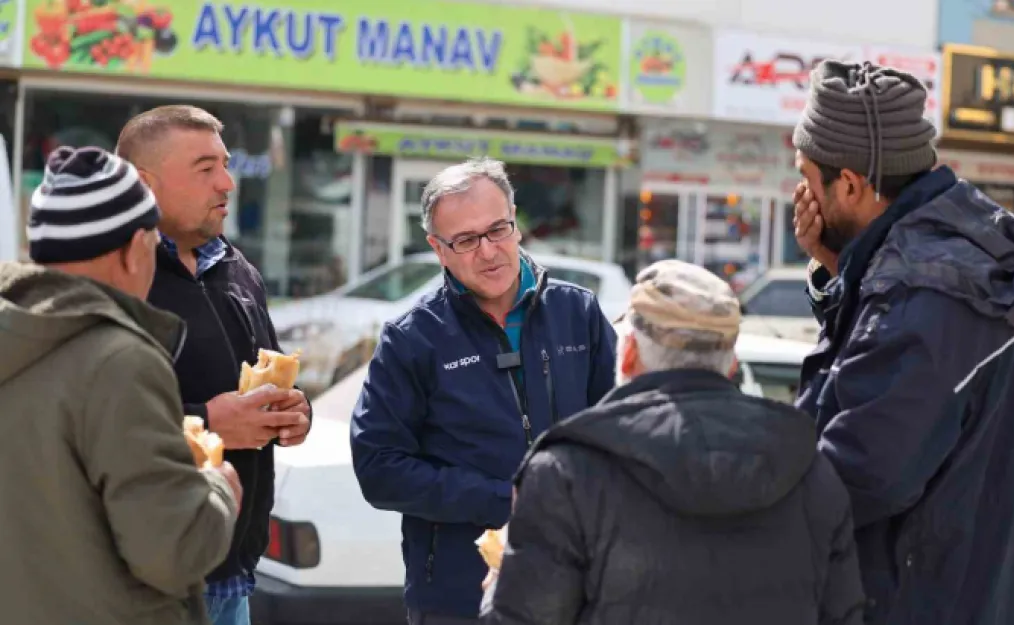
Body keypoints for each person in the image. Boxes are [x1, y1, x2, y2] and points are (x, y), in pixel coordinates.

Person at [790, 60, 1014, 624]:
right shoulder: (959, 238)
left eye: (807, 176)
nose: (800, 193)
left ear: (852, 185)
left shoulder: (921, 297)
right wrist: (837, 267)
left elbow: (850, 476)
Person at [479, 259, 866, 625]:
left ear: (628, 354)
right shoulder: (809, 468)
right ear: (731, 365)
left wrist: (499, 577)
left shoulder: (566, 475)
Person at [350, 156, 618, 624]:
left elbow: (621, 429)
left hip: (579, 581)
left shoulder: (579, 313)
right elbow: (379, 468)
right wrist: (503, 499)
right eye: (467, 240)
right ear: (438, 249)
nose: (489, 251)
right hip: (458, 594)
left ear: (517, 226)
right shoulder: (413, 337)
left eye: (498, 230)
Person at [0, 146, 241, 624]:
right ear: (135, 249)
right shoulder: (120, 361)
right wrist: (219, 490)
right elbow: (173, 549)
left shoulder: (21, 337)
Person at [116, 105, 313, 625]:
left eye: (225, 165)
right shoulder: (115, 275)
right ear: (142, 183)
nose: (227, 183)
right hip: (147, 581)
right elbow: (88, 420)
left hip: (234, 572)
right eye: (205, 169)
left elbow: (264, 373)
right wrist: (207, 422)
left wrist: (295, 411)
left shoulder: (237, 268)